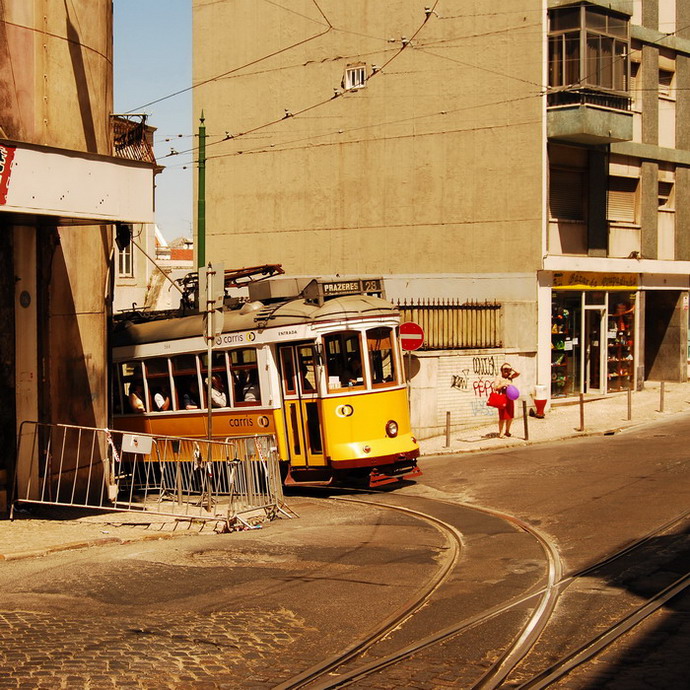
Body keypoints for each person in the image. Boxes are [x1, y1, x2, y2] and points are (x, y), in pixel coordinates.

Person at [493, 363, 520, 438]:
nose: (506, 371)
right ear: (501, 370)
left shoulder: (510, 377)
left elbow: (518, 373)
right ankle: (501, 433)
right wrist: (502, 385)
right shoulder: (499, 378)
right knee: (502, 417)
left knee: (510, 416)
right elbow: (495, 387)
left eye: (508, 370)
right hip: (502, 398)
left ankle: (507, 431)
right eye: (505, 369)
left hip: (510, 398)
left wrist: (512, 368)